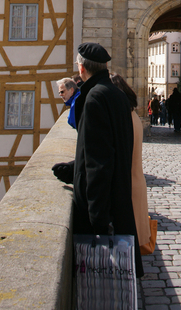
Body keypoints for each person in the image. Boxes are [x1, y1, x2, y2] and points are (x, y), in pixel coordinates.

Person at [51, 42, 143, 278]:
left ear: (82, 68)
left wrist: (98, 217)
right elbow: (108, 149)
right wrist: (74, 169)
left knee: (100, 282)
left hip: (102, 208)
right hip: (119, 198)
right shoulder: (117, 95)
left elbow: (99, 161)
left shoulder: (94, 98)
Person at [109, 72, 151, 251]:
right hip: (135, 182)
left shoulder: (124, 118)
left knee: (128, 246)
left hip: (128, 185)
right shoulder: (133, 115)